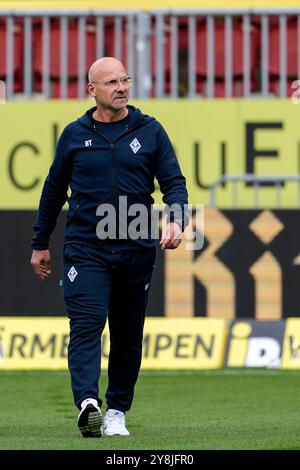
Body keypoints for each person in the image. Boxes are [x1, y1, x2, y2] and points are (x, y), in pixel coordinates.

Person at [30, 57, 188, 438]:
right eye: (112, 82)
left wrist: (176, 219)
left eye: (125, 79)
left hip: (136, 249)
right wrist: (40, 243)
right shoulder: (73, 135)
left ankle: (117, 410)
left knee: (128, 333)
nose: (121, 87)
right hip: (86, 249)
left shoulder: (151, 131)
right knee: (86, 326)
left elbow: (175, 183)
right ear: (92, 91)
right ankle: (88, 404)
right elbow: (53, 192)